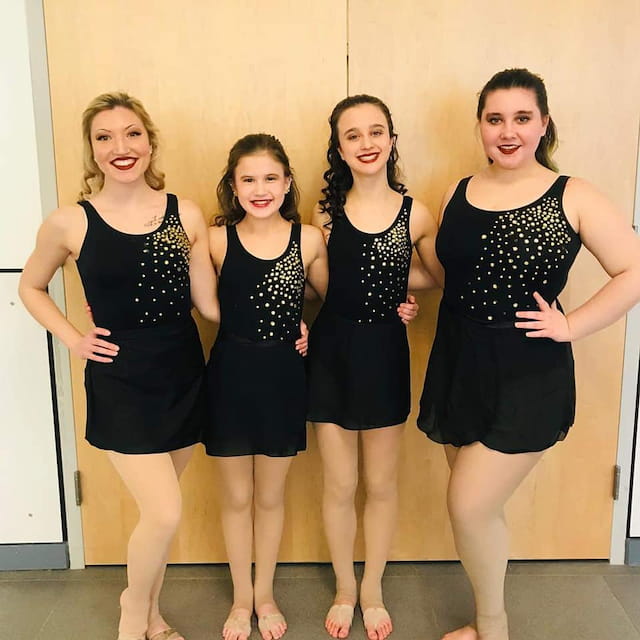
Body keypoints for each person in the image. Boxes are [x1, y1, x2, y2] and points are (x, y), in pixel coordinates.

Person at [417, 68, 640, 640]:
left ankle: (494, 628)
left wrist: (571, 325)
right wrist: (398, 292)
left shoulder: (573, 194)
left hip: (527, 372)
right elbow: (448, 274)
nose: (508, 131)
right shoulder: (456, 191)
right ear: (480, 127)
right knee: (478, 509)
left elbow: (633, 271)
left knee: (468, 506)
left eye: (522, 118)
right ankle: (489, 620)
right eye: (495, 119)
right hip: (458, 361)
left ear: (544, 124)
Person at [19, 92, 219, 640]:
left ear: (149, 141)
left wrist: (284, 315)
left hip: (181, 373)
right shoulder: (69, 223)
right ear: (92, 151)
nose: (120, 147)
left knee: (161, 514)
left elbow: (211, 306)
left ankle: (152, 617)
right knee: (165, 514)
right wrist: (74, 339)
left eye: (131, 133)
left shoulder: (186, 214)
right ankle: (134, 617)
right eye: (104, 138)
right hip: (120, 382)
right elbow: (30, 286)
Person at [307, 95, 441, 640]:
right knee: (340, 483)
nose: (366, 143)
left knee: (381, 484)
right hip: (332, 354)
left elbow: (438, 276)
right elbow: (313, 284)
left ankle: (373, 587)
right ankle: (344, 586)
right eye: (353, 135)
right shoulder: (322, 215)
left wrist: (404, 293)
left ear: (391, 138)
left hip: (386, 354)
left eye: (375, 131)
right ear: (338, 147)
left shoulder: (417, 212)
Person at [203, 133, 327, 640]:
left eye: (270, 178)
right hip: (230, 373)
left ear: (287, 182)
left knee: (270, 498)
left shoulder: (311, 239)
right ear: (233, 187)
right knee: (235, 499)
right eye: (248, 179)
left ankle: (266, 595)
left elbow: (339, 304)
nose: (260, 188)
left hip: (282, 377)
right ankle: (240, 600)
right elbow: (202, 306)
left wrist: (307, 329)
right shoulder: (213, 241)